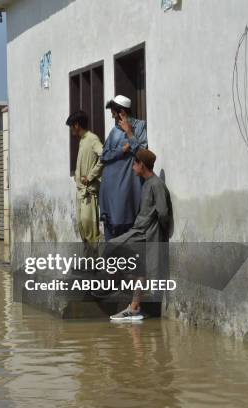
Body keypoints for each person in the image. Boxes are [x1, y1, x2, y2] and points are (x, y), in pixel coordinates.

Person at [109, 149, 173, 321]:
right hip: (140, 232)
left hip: (145, 234)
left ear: (141, 165)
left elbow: (163, 213)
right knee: (140, 270)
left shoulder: (156, 185)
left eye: (134, 164)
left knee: (111, 246)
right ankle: (134, 307)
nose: (132, 168)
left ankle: (111, 292)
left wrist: (158, 236)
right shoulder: (146, 184)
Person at [99, 95, 148, 241]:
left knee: (126, 233)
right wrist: (122, 150)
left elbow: (142, 152)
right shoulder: (114, 131)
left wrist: (129, 133)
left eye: (114, 113)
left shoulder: (139, 126)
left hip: (126, 187)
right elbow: (104, 156)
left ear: (122, 112)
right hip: (109, 188)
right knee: (111, 233)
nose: (113, 116)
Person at [66, 110, 103, 246]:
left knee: (90, 230)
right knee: (82, 228)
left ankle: (94, 264)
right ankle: (88, 261)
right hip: (80, 192)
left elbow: (104, 156)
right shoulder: (82, 141)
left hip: (89, 192)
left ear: (76, 125)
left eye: (71, 126)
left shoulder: (92, 139)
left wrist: (91, 176)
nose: (71, 130)